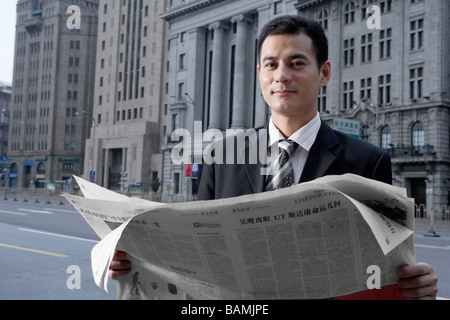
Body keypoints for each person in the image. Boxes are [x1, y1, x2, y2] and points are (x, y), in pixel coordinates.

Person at [110, 15, 438, 300]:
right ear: (260, 74)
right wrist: (138, 261)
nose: (281, 75)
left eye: (296, 63)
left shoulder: (369, 163)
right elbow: (198, 258)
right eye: (271, 64)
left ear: (324, 73)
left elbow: (387, 270)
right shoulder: (221, 157)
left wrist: (413, 286)